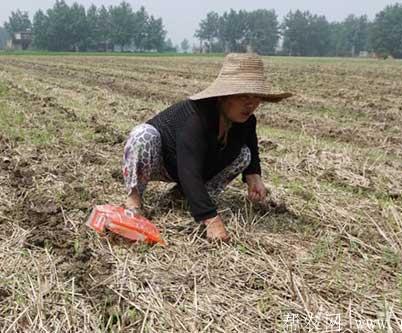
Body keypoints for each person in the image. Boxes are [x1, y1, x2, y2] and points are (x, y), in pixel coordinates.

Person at [121, 53, 292, 241]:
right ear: (224, 96)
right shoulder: (195, 117)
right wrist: (211, 219)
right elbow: (188, 170)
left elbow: (250, 142)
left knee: (244, 155)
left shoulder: (246, 121)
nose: (250, 103)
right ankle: (134, 198)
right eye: (243, 95)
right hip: (161, 161)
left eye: (256, 96)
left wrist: (254, 175)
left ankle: (182, 196)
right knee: (143, 135)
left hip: (193, 166)